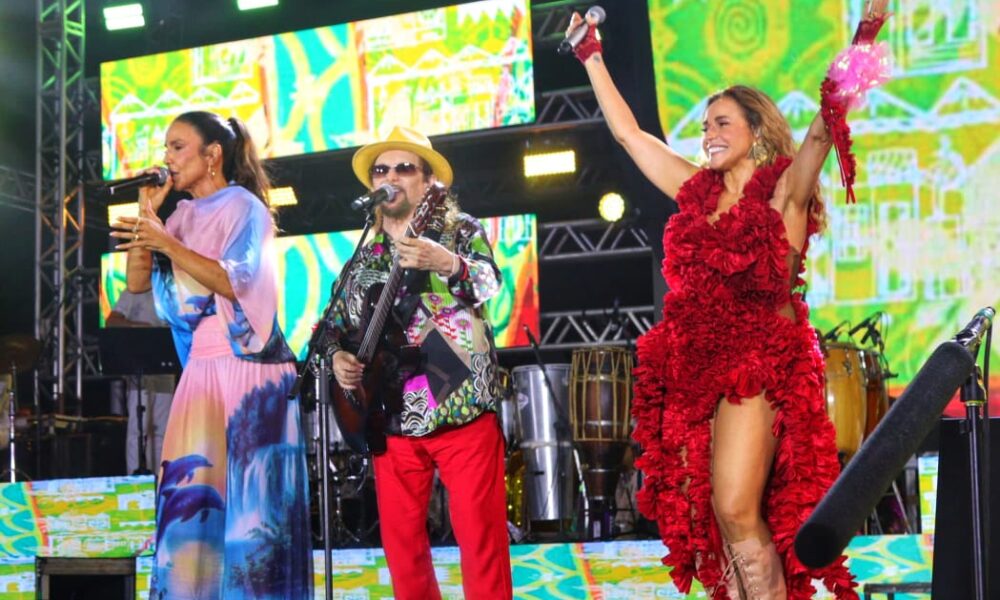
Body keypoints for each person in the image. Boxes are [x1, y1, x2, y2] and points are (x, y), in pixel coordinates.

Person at [567, 2, 892, 599]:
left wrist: (865, 33)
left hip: (761, 363)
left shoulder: (785, 194)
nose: (708, 135)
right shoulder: (695, 192)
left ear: (756, 131)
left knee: (736, 506)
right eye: (705, 126)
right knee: (713, 519)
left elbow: (825, 125)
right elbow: (630, 135)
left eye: (722, 123)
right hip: (698, 368)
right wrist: (591, 56)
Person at [110, 111, 312, 599]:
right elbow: (137, 283)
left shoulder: (245, 208)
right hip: (200, 368)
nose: (167, 157)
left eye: (177, 146)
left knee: (253, 516)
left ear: (212, 154)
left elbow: (233, 281)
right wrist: (149, 216)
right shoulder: (179, 217)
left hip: (248, 367)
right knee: (190, 505)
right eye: (166, 147)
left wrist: (165, 241)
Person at [322, 125, 511, 600]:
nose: (390, 177)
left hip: (459, 405)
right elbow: (330, 328)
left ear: (427, 182)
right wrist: (337, 356)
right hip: (390, 415)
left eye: (404, 168)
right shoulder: (364, 257)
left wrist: (447, 262)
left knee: (481, 544)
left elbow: (489, 283)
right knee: (402, 552)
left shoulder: (458, 231)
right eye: (380, 170)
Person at [106, 289, 175, 476]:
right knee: (139, 427)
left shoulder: (169, 290)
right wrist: (139, 328)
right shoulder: (134, 291)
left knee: (162, 429)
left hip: (164, 367)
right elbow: (112, 321)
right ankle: (134, 480)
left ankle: (160, 479)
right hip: (141, 370)